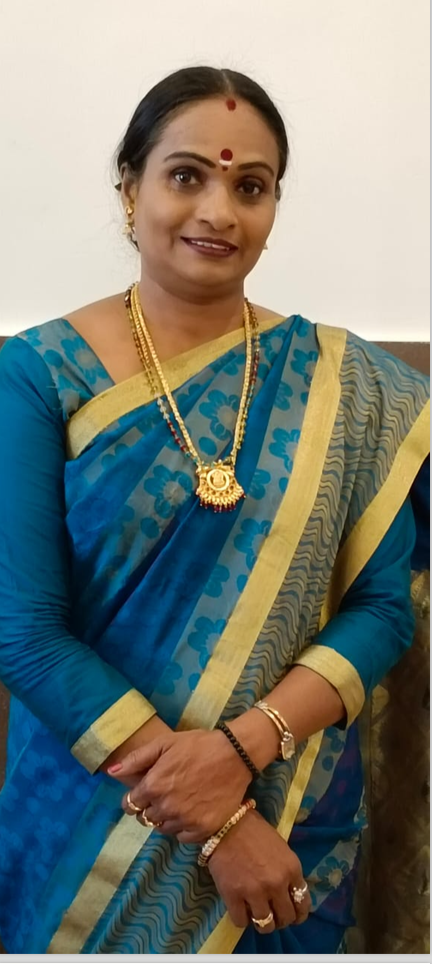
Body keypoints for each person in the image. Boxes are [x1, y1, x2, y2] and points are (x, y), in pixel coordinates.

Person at [0, 65, 429, 956]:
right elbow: (24, 631)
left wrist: (242, 753)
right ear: (131, 188)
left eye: (250, 187)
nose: (219, 211)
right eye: (186, 175)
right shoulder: (37, 375)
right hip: (92, 814)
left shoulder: (350, 387)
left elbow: (382, 606)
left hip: (293, 803)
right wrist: (224, 824)